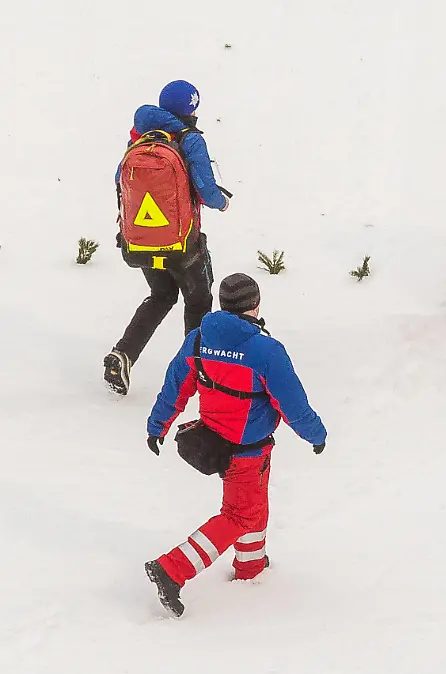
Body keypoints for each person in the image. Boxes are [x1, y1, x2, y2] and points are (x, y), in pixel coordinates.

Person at [143, 273, 326, 617]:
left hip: (215, 442)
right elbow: (294, 406)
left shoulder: (197, 340)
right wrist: (316, 436)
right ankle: (172, 569)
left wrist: (158, 425)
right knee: (239, 515)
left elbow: (175, 386)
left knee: (253, 508)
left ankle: (250, 567)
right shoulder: (265, 350)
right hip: (247, 450)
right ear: (255, 305)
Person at [104, 80, 232, 395]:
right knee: (198, 299)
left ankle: (123, 354)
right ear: (192, 107)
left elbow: (119, 181)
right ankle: (200, 370)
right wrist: (222, 201)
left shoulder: (140, 137)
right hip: (182, 243)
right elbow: (206, 188)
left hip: (142, 242)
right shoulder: (189, 139)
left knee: (161, 296)